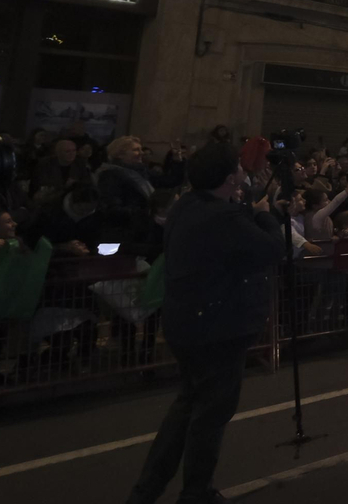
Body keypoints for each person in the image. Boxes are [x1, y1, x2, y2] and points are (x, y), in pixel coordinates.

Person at [125, 142, 284, 504]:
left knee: (187, 408)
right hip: (220, 328)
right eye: (238, 171)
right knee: (210, 417)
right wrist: (265, 214)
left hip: (186, 324)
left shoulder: (186, 207)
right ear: (229, 178)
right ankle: (196, 492)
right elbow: (272, 249)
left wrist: (250, 207)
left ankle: (146, 490)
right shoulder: (225, 218)